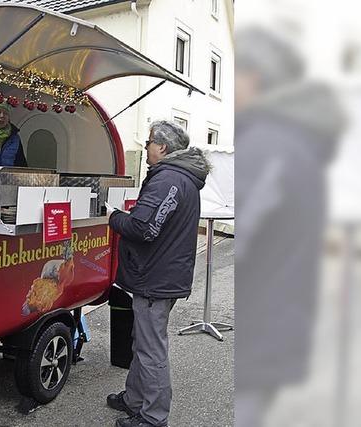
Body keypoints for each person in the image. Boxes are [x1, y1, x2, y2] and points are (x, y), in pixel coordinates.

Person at [234, 27, 345, 426]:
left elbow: (244, 234)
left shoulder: (265, 144)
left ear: (255, 78)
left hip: (261, 322)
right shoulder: (298, 142)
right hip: (285, 315)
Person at [106, 121, 210, 427]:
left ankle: (152, 417)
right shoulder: (181, 177)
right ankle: (134, 399)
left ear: (163, 147)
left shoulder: (168, 179)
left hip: (156, 279)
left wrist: (115, 217)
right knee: (143, 343)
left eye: (150, 142)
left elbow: (144, 228)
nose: (147, 146)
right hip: (161, 274)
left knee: (151, 350)